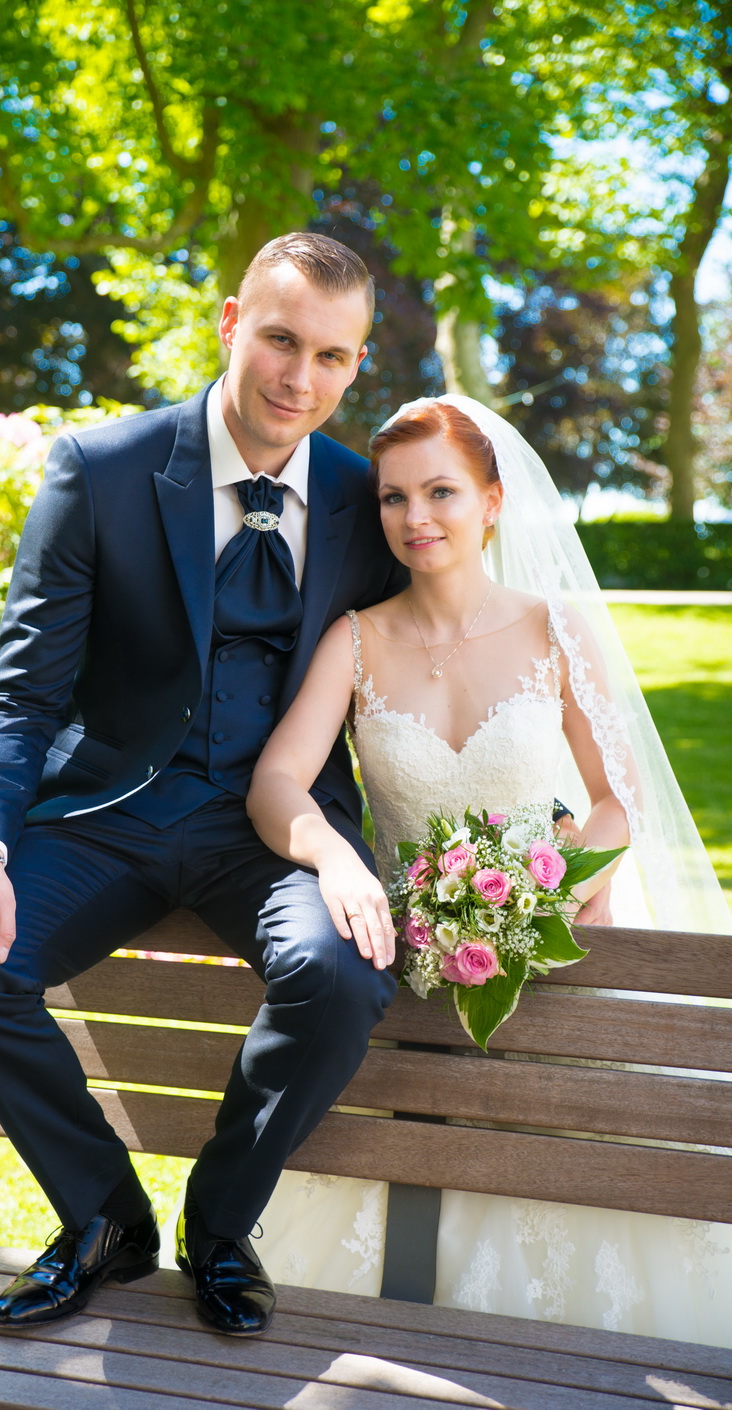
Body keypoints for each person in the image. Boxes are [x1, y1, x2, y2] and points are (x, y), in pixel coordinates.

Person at [0, 232, 407, 1337]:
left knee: (343, 972)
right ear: (230, 323)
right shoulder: (106, 470)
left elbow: (445, 670)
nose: (297, 377)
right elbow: (22, 693)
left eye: (330, 356)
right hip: (111, 812)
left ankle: (220, 1227)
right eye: (278, 339)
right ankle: (104, 1217)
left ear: (357, 365)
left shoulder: (374, 508)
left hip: (280, 825)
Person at [246, 395, 732, 1344]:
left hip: (554, 956)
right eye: (394, 498)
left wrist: (561, 886)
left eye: (441, 493)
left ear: (495, 502)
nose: (416, 518)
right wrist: (335, 859)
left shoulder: (553, 628)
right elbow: (275, 784)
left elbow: (618, 798)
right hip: (410, 974)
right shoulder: (356, 640)